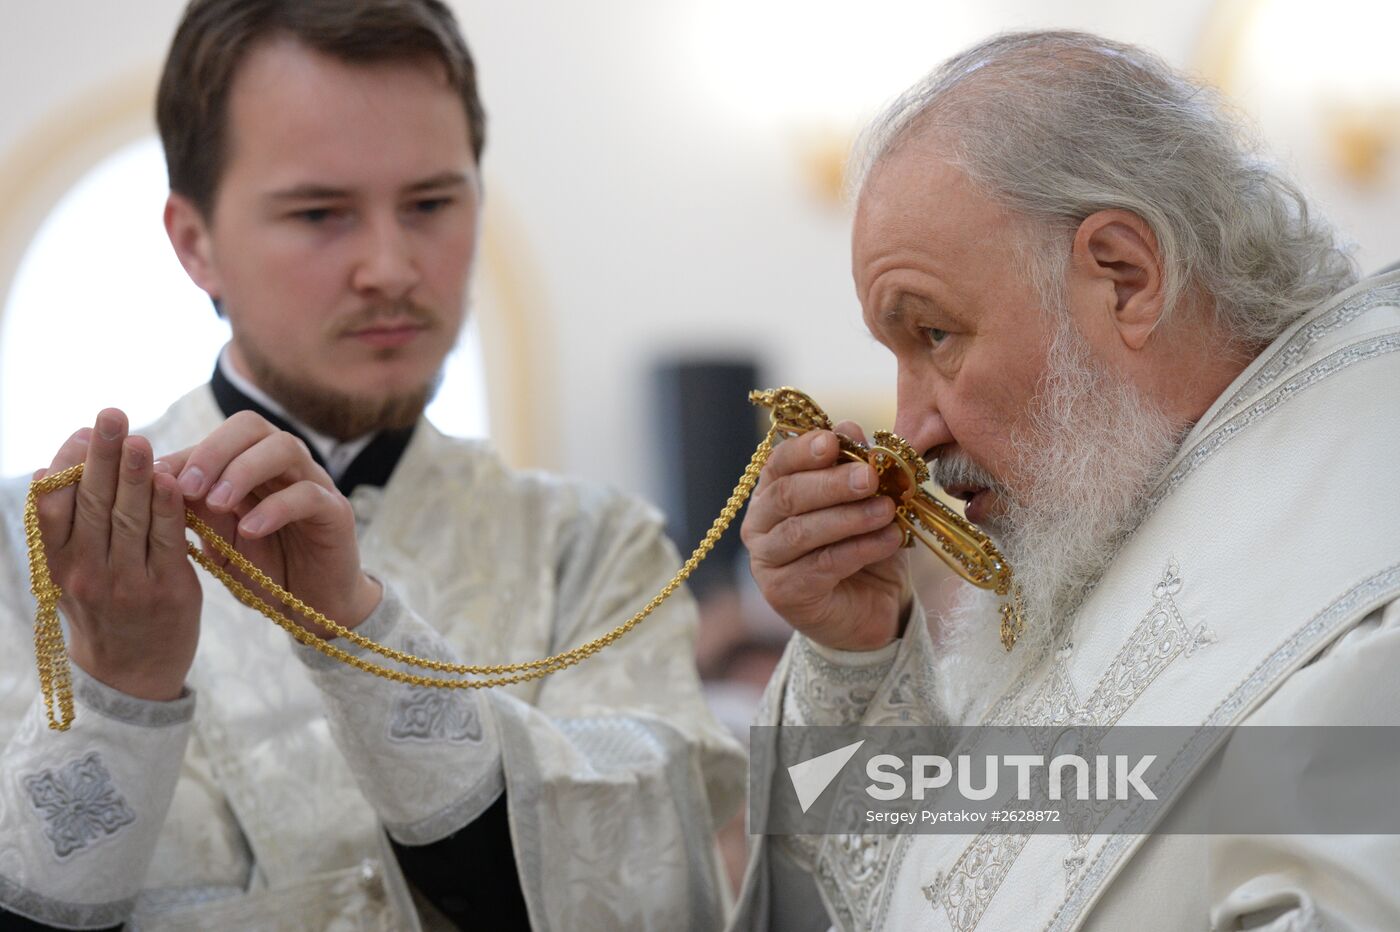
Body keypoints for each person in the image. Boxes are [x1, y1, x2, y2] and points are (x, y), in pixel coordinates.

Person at [0, 1, 743, 929]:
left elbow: (653, 895)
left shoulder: (589, 549)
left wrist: (361, 635)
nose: (391, 268)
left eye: (432, 204)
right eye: (321, 213)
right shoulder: (27, 551)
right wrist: (119, 686)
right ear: (194, 243)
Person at [731, 30, 1400, 931]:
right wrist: (859, 657)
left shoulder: (1358, 566)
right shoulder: (1108, 520)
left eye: (934, 334)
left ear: (1124, 277)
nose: (913, 429)